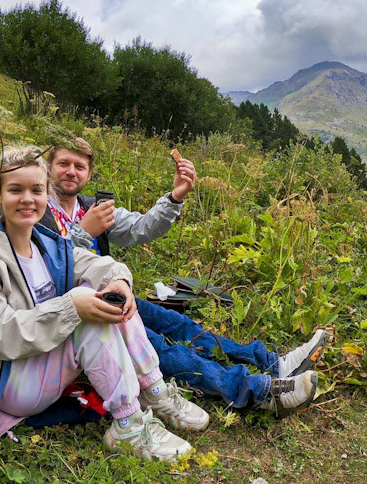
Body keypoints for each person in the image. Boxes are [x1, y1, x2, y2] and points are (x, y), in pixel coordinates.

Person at [0, 146, 208, 461]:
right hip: (4, 380)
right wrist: (73, 308)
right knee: (87, 312)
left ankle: (154, 391)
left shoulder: (45, 243)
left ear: (46, 195)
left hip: (40, 360)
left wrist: (120, 282)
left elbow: (102, 264)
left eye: (36, 190)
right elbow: (2, 337)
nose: (27, 198)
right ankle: (129, 425)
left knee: (109, 294)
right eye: (15, 190)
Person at [38, 138, 329, 415]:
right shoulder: (37, 213)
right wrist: (83, 233)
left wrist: (175, 196)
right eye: (64, 163)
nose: (71, 172)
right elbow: (45, 273)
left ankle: (273, 363)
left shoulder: (91, 208)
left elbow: (142, 228)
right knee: (158, 346)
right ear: (49, 166)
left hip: (113, 296)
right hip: (75, 313)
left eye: (80, 166)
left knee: (176, 322)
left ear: (89, 173)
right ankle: (260, 392)